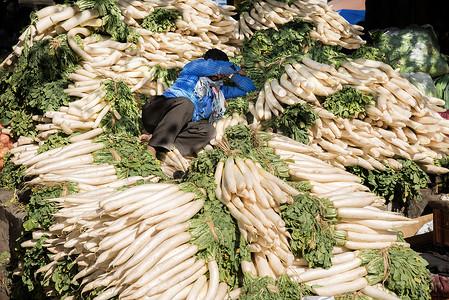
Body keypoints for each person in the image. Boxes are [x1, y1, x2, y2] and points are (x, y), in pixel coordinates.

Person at [141, 48, 257, 158]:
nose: (219, 74)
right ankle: (153, 146)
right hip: (156, 112)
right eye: (218, 70)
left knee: (209, 131)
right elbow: (216, 67)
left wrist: (231, 74)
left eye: (222, 74)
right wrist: (235, 68)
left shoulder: (219, 91)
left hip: (174, 127)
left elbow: (249, 89)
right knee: (187, 105)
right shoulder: (192, 70)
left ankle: (163, 144)